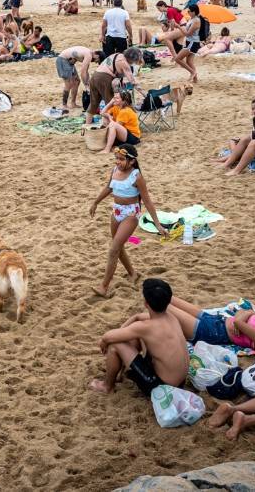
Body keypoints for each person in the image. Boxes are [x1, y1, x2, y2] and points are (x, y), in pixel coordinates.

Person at [88, 144, 165, 298]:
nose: (117, 162)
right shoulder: (115, 171)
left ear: (131, 161)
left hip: (131, 214)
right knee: (118, 246)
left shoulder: (137, 176)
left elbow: (147, 201)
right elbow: (109, 188)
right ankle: (132, 273)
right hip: (116, 211)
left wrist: (157, 223)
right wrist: (96, 202)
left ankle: (104, 286)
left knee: (114, 249)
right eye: (116, 158)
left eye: (121, 159)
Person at [89, 278, 188, 394]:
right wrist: (122, 331)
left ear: (146, 303)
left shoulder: (145, 328)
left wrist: (103, 342)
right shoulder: (171, 318)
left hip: (162, 388)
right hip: (179, 383)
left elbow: (108, 337)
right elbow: (138, 317)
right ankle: (118, 373)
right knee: (131, 337)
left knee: (115, 344)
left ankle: (107, 386)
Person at [166, 296, 255, 351]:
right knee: (168, 297)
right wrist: (245, 315)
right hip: (217, 320)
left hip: (213, 333)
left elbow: (239, 320)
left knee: (164, 305)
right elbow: (246, 311)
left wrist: (243, 318)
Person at [87, 47, 141, 123]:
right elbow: (132, 81)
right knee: (111, 103)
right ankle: (110, 125)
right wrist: (144, 93)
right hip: (104, 78)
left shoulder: (117, 55)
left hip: (95, 76)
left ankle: (87, 125)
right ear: (132, 59)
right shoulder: (124, 63)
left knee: (94, 102)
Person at [56, 45, 97, 112]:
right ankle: (64, 105)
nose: (95, 62)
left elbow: (86, 71)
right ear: (97, 55)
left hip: (69, 62)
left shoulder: (89, 53)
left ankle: (73, 103)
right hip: (63, 60)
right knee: (68, 84)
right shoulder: (89, 55)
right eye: (97, 60)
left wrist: (88, 83)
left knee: (76, 81)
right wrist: (86, 86)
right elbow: (83, 72)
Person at [173, 4, 201, 82]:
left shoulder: (196, 20)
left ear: (194, 12)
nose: (188, 12)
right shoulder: (191, 19)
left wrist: (179, 27)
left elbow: (188, 33)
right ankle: (195, 79)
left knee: (178, 59)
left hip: (193, 43)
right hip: (190, 42)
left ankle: (192, 72)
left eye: (189, 11)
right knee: (189, 62)